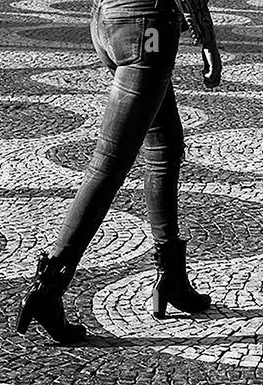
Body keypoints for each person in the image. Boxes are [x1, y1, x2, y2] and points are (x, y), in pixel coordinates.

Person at [17, 0, 222, 343]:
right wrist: (208, 39)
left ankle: (172, 277)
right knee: (110, 161)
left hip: (107, 22)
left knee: (165, 147)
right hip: (149, 31)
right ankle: (48, 290)